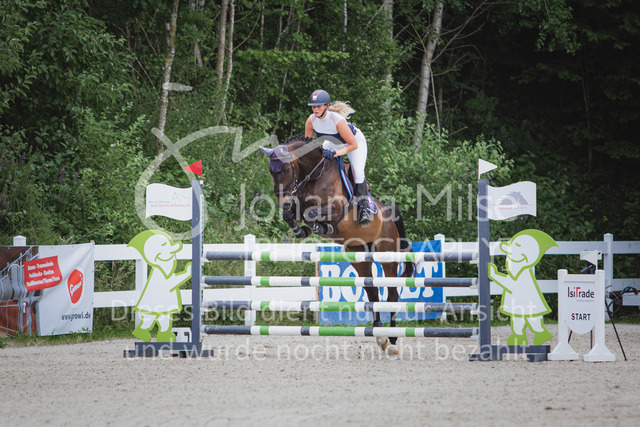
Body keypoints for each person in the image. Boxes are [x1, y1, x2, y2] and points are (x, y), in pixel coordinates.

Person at [305, 89, 371, 226]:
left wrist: (334, 154)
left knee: (358, 172)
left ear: (327, 106)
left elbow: (352, 145)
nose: (315, 109)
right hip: (332, 142)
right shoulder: (311, 121)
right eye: (313, 106)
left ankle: (364, 208)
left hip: (355, 143)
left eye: (318, 106)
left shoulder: (337, 120)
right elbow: (308, 147)